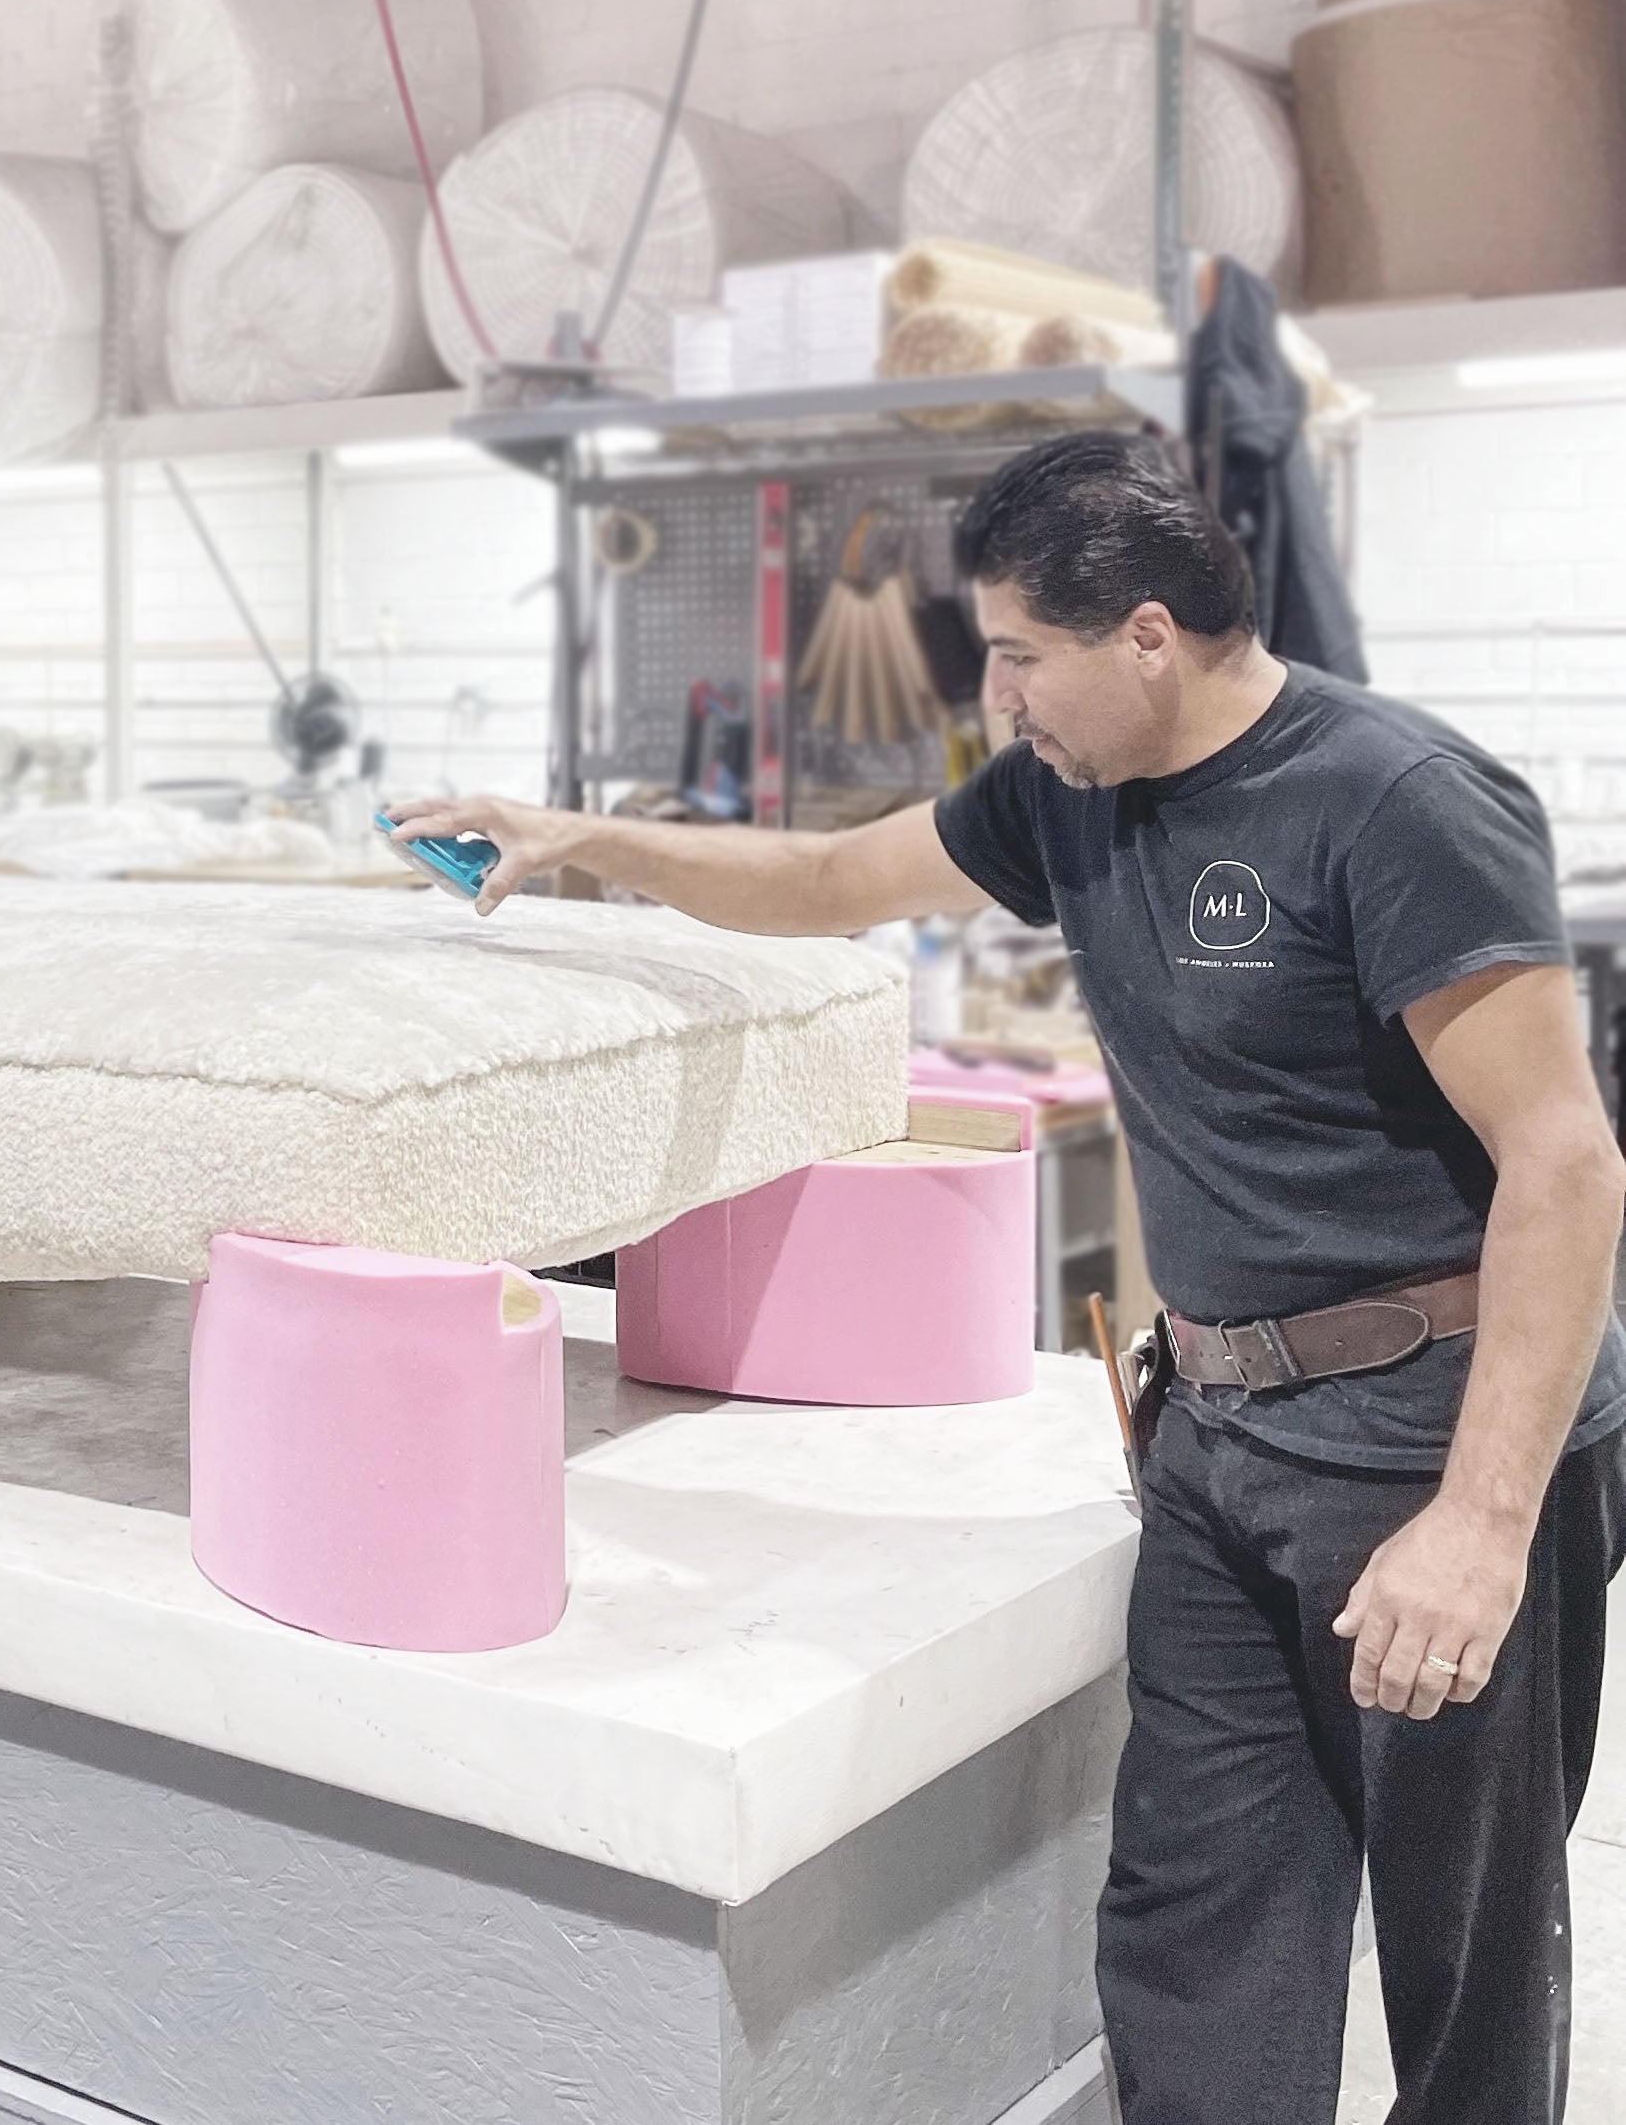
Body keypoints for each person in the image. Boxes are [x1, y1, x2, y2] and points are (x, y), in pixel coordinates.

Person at [387, 428, 1626, 2125]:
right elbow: (829, 881)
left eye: (1022, 656)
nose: (998, 698)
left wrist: (1481, 1529)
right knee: (1200, 1921)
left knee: (1463, 1956)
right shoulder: (1068, 797)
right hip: (1217, 1444)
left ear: (1147, 636)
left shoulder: (1394, 803)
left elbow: (1567, 1162)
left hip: (1429, 1437)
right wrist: (571, 839)